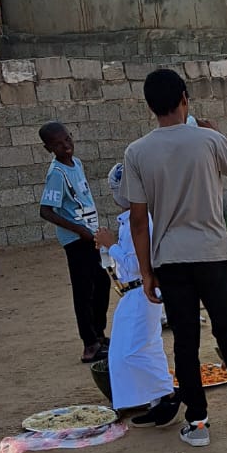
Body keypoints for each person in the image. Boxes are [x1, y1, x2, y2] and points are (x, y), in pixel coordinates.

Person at [122, 67, 227, 448]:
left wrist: (146, 272)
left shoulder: (137, 152)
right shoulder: (208, 140)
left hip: (169, 260)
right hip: (212, 253)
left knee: (185, 340)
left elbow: (138, 221)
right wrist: (218, 136)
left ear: (150, 107)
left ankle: (197, 422)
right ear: (185, 99)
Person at [94, 163, 177, 422]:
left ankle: (166, 394)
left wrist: (111, 245)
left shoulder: (138, 222)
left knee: (131, 351)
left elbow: (135, 265)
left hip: (141, 290)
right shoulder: (131, 221)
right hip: (134, 292)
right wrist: (109, 249)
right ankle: (156, 400)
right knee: (142, 347)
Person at [38, 121, 110, 363]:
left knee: (101, 283)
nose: (66, 146)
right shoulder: (57, 174)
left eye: (67, 139)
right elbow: (46, 210)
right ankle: (89, 344)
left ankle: (98, 334)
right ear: (49, 148)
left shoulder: (76, 164)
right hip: (76, 241)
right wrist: (78, 229)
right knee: (84, 290)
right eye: (58, 144)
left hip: (90, 235)